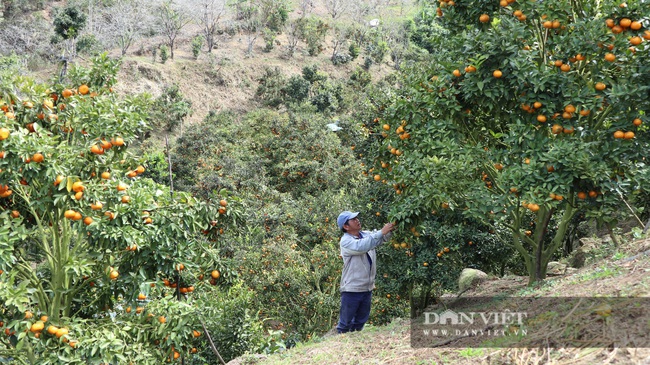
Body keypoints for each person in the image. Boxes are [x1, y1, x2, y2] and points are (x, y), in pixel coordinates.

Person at [335, 211, 395, 334]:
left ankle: (354, 343)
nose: (357, 220)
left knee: (361, 320)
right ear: (346, 226)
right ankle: (339, 346)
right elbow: (362, 246)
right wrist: (381, 232)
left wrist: (392, 228)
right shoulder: (346, 241)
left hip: (367, 287)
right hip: (352, 288)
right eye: (353, 219)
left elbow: (380, 239)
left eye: (357, 218)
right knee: (345, 322)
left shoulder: (366, 235)